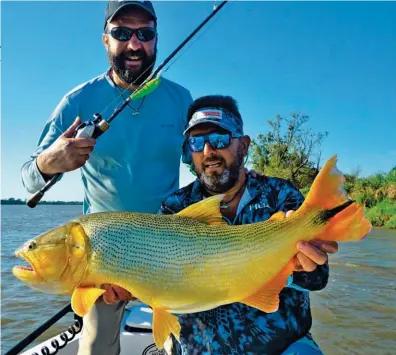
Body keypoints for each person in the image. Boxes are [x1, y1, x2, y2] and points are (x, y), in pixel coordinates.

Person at [21, 1, 193, 354]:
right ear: (105, 40)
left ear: (156, 39)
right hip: (100, 257)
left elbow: (209, 169)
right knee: (96, 347)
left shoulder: (181, 100)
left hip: (170, 251)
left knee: (189, 344)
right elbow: (27, 180)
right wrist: (49, 162)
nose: (134, 44)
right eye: (122, 33)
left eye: (145, 34)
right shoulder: (78, 100)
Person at [106, 95, 338, 354]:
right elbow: (159, 279)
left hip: (285, 346)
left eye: (220, 139)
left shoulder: (281, 196)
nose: (208, 151)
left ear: (244, 145)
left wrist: (304, 266)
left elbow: (318, 279)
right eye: (196, 141)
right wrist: (130, 287)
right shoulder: (174, 208)